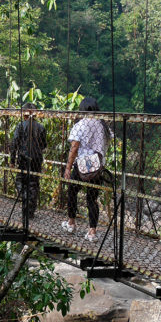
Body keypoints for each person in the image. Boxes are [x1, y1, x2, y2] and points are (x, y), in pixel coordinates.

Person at [62, 96, 110, 242]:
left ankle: (71, 223)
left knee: (72, 191)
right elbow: (107, 143)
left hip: (81, 165)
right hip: (96, 166)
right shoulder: (103, 125)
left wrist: (68, 168)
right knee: (92, 198)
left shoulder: (81, 124)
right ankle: (92, 232)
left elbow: (75, 146)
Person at [10, 102, 47, 221]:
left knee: (20, 180)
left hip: (23, 158)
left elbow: (14, 143)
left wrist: (12, 160)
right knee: (34, 183)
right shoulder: (41, 127)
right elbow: (43, 145)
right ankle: (30, 211)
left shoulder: (20, 126)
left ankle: (25, 200)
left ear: (24, 114)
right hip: (36, 159)